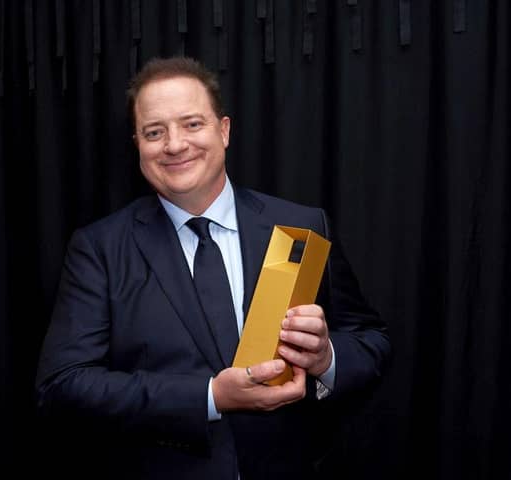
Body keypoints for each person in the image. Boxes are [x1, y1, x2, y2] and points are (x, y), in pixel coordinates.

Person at [35, 56, 391, 480]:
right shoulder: (100, 249)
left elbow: (371, 342)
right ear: (138, 144)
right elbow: (63, 386)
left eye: (191, 124)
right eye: (154, 132)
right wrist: (210, 396)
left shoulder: (300, 227)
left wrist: (325, 357)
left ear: (223, 131)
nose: (174, 144)